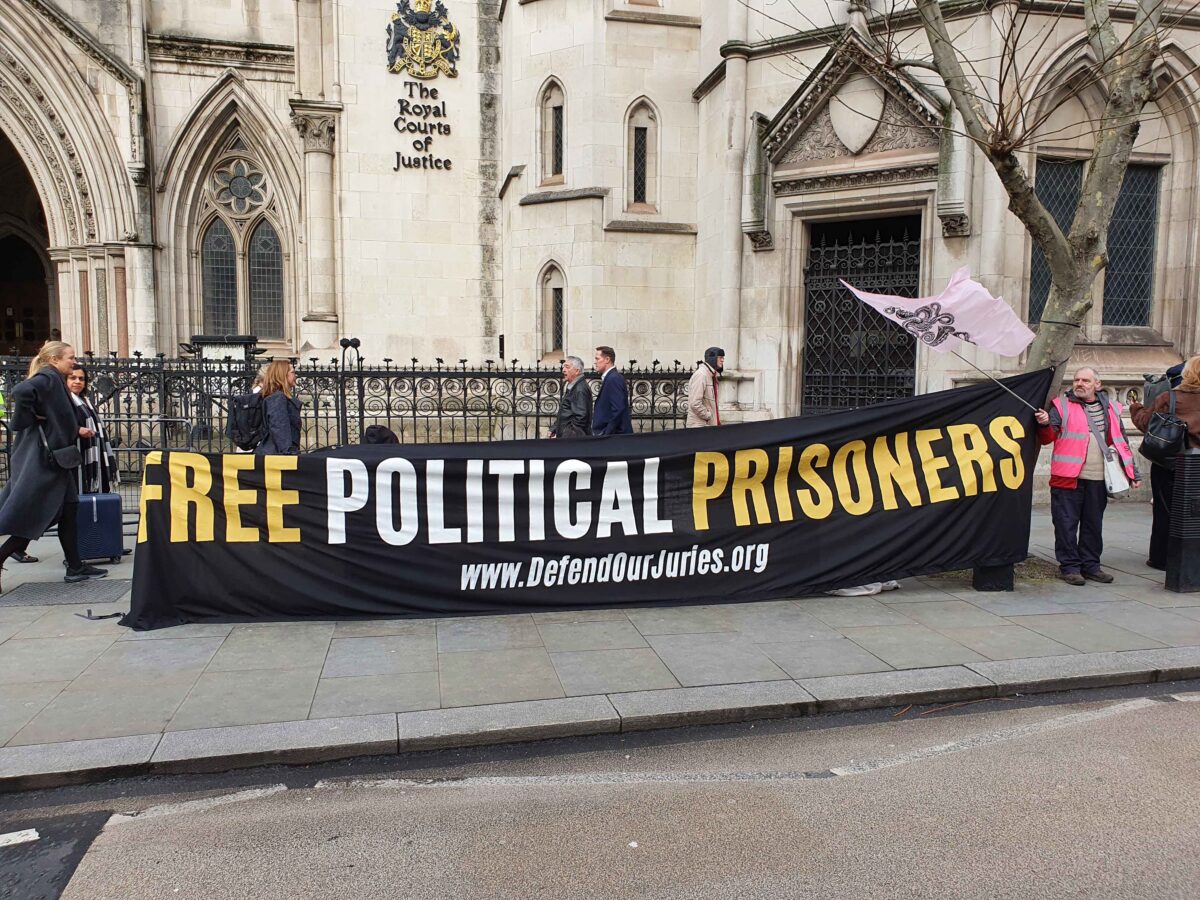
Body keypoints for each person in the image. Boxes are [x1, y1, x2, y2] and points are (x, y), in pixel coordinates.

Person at [0, 341, 108, 589]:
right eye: (70, 357)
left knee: (69, 511)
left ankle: (75, 566)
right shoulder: (48, 376)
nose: (74, 361)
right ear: (55, 359)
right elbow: (20, 391)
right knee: (43, 514)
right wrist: (30, 418)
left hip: (58, 458)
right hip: (46, 460)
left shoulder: (55, 379)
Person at [1034, 366, 1140, 585]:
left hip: (1099, 479)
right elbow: (1047, 437)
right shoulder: (1061, 406)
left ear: (1097, 385)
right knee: (1066, 524)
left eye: (1085, 380)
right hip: (1067, 478)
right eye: (1076, 380)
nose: (1079, 384)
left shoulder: (1111, 407)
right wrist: (1044, 423)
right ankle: (1070, 567)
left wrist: (1132, 472)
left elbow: (1121, 442)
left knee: (1093, 524)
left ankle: (1091, 565)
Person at [1130, 355, 1200, 570]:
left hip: (1171, 463)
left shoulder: (1169, 397)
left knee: (1165, 511)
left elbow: (1146, 424)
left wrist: (1135, 407)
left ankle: (1161, 558)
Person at [66, 365, 120, 495]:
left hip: (95, 453)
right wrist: (77, 430)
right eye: (72, 378)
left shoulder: (85, 401)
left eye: (81, 378)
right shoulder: (65, 401)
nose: (77, 381)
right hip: (77, 456)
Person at [255, 360, 302, 455]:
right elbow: (279, 427)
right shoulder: (278, 398)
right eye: (292, 372)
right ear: (282, 375)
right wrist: (288, 452)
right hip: (276, 455)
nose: (295, 376)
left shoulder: (278, 397)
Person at [590, 345, 632, 435]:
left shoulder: (614, 378)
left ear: (607, 360)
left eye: (597, 359)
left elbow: (618, 409)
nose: (595, 362)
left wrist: (606, 433)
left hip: (616, 437)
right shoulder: (610, 377)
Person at [550, 355, 592, 438]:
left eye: (567, 367)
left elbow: (581, 417)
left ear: (577, 371)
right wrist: (555, 428)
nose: (563, 370)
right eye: (563, 367)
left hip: (572, 440)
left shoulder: (580, 389)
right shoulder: (574, 386)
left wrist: (567, 434)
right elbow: (566, 412)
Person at [687, 346, 725, 428]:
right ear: (712, 358)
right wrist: (708, 416)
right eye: (720, 357)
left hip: (708, 426)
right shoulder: (701, 375)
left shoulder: (711, 375)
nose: (723, 360)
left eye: (723, 358)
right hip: (700, 427)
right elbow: (695, 403)